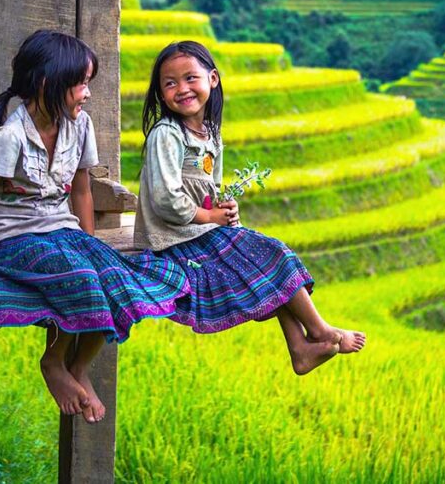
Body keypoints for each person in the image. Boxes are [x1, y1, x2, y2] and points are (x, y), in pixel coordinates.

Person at [0, 30, 190, 423]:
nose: (87, 93)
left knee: (114, 276)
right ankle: (53, 363)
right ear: (48, 84)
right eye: (81, 83)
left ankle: (79, 367)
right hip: (17, 237)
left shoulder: (79, 125)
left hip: (63, 229)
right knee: (82, 277)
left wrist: (89, 241)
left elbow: (82, 189)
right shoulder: (10, 137)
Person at [134, 40, 366, 375]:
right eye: (170, 83)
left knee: (268, 259)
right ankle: (319, 331)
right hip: (172, 241)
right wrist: (210, 216)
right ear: (160, 93)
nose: (181, 89)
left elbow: (209, 188)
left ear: (212, 79)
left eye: (190, 79)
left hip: (201, 231)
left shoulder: (210, 133)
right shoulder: (166, 135)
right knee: (271, 256)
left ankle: (300, 348)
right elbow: (165, 198)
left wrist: (224, 210)